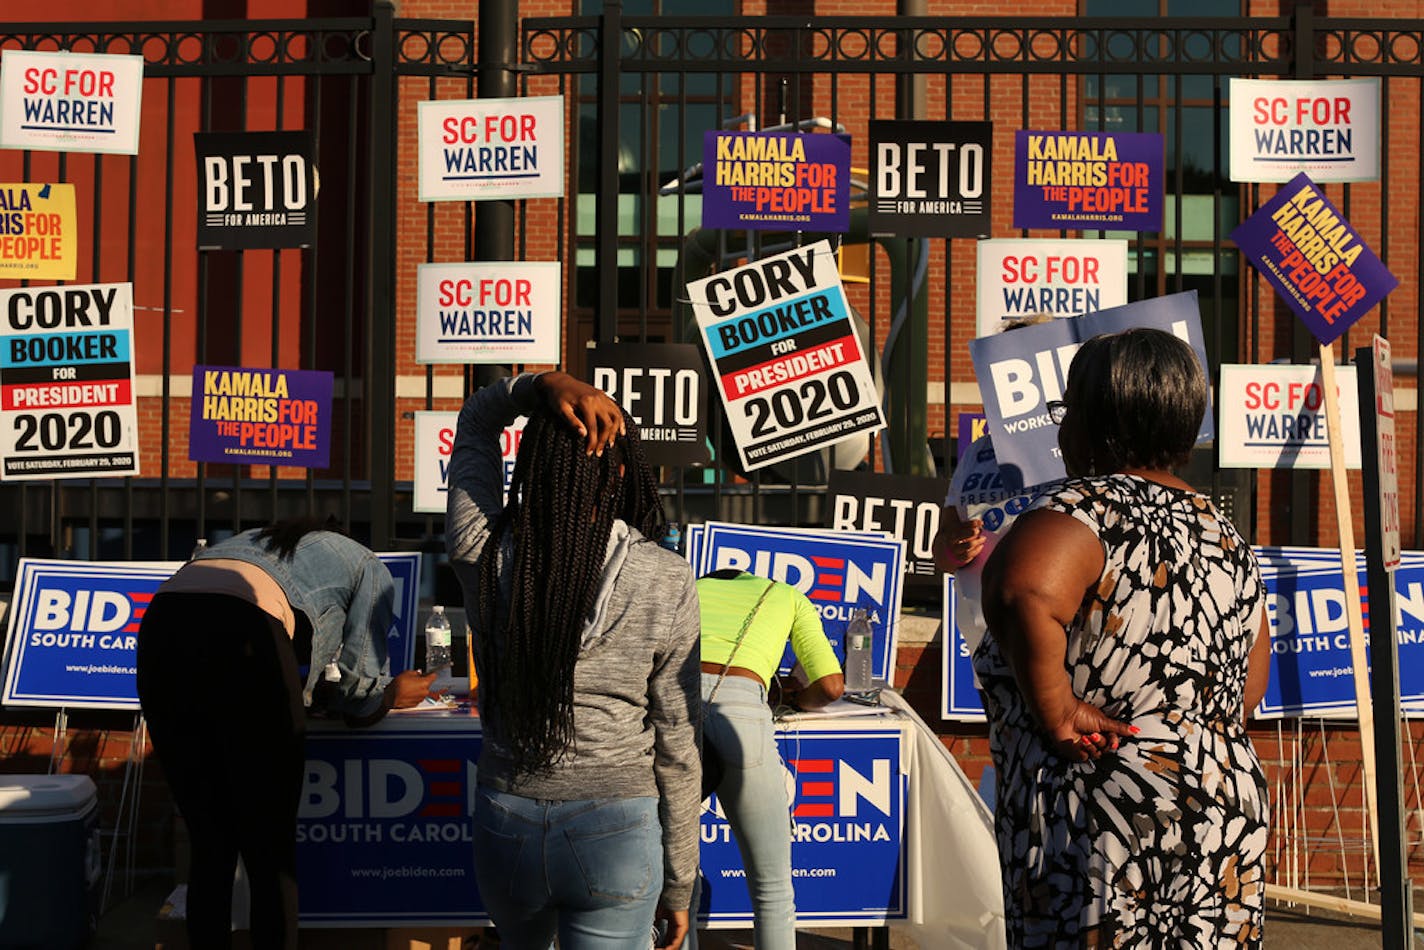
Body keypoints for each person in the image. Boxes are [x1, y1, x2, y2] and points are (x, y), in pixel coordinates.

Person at [975, 327, 1271, 947]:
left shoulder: (1080, 512)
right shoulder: (1226, 535)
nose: (1060, 431)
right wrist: (1183, 736)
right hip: (1222, 807)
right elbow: (1248, 682)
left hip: (1109, 811)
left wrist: (1058, 710)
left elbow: (1024, 592)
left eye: (1067, 410)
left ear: (1096, 420)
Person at [446, 371, 701, 950]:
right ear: (619, 474)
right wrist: (681, 884)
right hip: (617, 826)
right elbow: (678, 743)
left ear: (528, 467)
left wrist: (543, 385)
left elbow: (476, 420)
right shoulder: (664, 577)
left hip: (506, 816)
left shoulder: (481, 553)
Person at [136, 519, 439, 950]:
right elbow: (359, 699)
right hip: (242, 632)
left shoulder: (252, 542)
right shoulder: (364, 562)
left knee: (210, 842)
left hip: (161, 629)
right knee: (269, 851)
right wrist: (392, 693)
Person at [690, 568, 844, 950]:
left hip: (675, 711)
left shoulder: (682, 586)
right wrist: (794, 699)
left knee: (673, 884)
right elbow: (830, 686)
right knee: (772, 889)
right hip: (742, 715)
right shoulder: (787, 596)